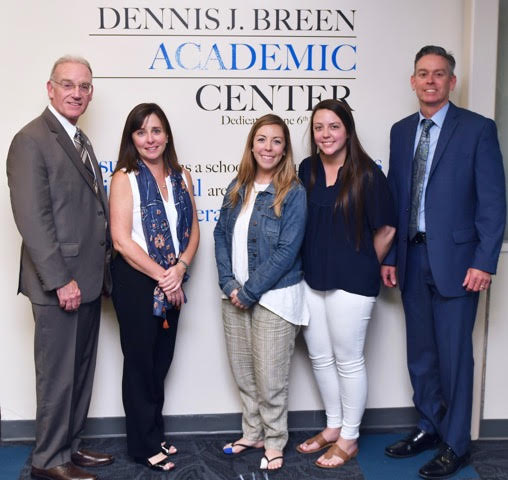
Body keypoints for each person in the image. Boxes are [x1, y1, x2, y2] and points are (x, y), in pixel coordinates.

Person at [382, 45, 506, 479]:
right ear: (412, 81)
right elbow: (398, 198)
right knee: (421, 355)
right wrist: (392, 256)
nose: (430, 81)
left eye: (439, 74)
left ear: (452, 82)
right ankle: (430, 426)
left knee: (454, 357)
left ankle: (456, 444)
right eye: (422, 73)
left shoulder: (477, 129)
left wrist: (484, 261)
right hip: (412, 258)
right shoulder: (400, 132)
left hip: (458, 262)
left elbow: (493, 203)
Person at [6, 56, 113, 480]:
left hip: (86, 279)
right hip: (59, 283)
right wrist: (60, 280)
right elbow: (33, 219)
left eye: (84, 86)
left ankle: (69, 448)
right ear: (49, 89)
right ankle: (48, 460)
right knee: (57, 377)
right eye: (67, 84)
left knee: (80, 371)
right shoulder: (30, 140)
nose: (77, 93)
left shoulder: (78, 139)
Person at [296, 99, 396, 469]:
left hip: (352, 281)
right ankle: (333, 426)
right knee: (321, 358)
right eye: (319, 127)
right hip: (312, 278)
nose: (325, 134)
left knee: (348, 360)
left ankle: (350, 437)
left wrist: (362, 261)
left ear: (348, 130)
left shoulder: (368, 174)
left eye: (333, 126)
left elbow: (386, 229)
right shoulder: (307, 169)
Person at [214, 114, 307, 471]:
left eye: (277, 141)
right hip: (234, 295)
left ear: (285, 150)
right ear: (252, 145)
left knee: (270, 379)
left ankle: (274, 441)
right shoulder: (237, 185)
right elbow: (220, 235)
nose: (268, 147)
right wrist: (228, 283)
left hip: (274, 297)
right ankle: (251, 433)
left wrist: (249, 291)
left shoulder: (294, 193)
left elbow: (288, 250)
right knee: (244, 373)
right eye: (262, 140)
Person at [109, 103, 199, 472]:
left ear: (167, 135)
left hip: (172, 280)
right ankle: (142, 444)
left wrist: (179, 268)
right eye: (142, 131)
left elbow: (194, 230)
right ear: (132, 138)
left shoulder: (182, 176)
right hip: (136, 281)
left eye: (157, 130)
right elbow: (121, 240)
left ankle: (154, 431)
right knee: (140, 362)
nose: (150, 139)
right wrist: (165, 276)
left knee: (161, 360)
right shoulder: (124, 178)